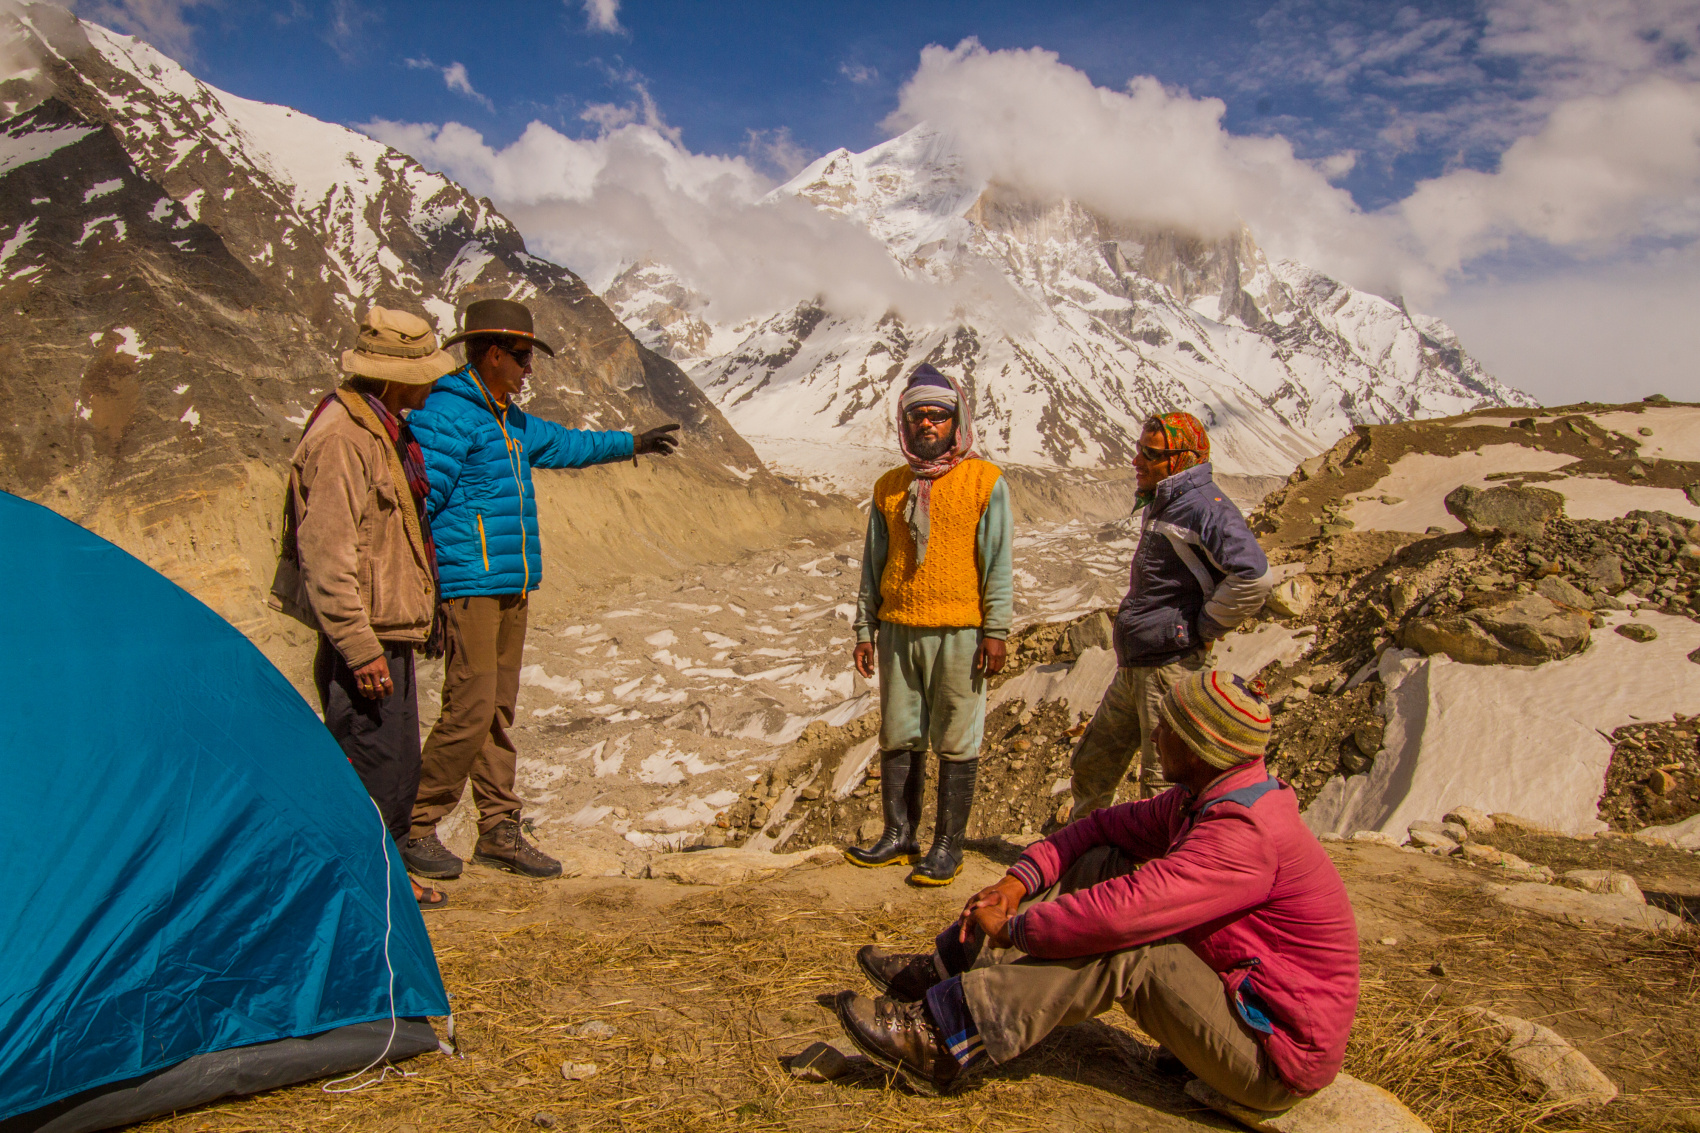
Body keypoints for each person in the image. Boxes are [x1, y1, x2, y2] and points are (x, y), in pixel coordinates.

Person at [833, 670, 1359, 1111]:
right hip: (1241, 1007)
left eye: (1168, 728)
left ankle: (942, 1038)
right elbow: (1100, 829)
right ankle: (948, 969)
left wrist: (1016, 929)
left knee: (1132, 947)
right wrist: (1017, 881)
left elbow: (1123, 915)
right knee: (1103, 859)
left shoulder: (1243, 833)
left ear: (1199, 748)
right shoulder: (1203, 799)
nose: (1155, 735)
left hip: (1273, 1054)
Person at [400, 298, 681, 881]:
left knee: (495, 712)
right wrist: (429, 586)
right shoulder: (449, 414)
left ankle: (498, 829)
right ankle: (415, 825)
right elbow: (418, 501)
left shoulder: (508, 418)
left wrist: (631, 444)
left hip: (510, 583)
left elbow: (567, 444)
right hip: (470, 586)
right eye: (523, 356)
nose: (530, 368)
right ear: (493, 354)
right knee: (470, 710)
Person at [271, 306, 457, 910]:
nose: (432, 384)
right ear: (394, 378)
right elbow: (327, 555)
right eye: (424, 374)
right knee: (370, 762)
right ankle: (368, 885)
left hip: (385, 630)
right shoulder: (343, 440)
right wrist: (358, 646)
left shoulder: (377, 428)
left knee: (394, 763)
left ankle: (383, 875)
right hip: (367, 638)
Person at [846, 363, 1013, 887]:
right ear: (904, 422)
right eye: (917, 415)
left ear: (956, 421)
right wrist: (864, 628)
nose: (927, 423)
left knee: (957, 740)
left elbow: (997, 561)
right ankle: (900, 836)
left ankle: (948, 846)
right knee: (899, 735)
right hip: (898, 628)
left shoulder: (985, 482)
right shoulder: (889, 488)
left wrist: (996, 630)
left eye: (938, 415)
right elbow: (873, 565)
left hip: (960, 631)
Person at [1067, 412, 1272, 820]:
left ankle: (1163, 856)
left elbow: (1255, 576)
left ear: (1181, 459)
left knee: (1162, 780)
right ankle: (1079, 845)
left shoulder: (1204, 508)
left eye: (1150, 453)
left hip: (1170, 668)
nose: (1136, 461)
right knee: (1093, 761)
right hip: (1137, 666)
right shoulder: (1167, 500)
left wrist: (1203, 627)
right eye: (1139, 449)